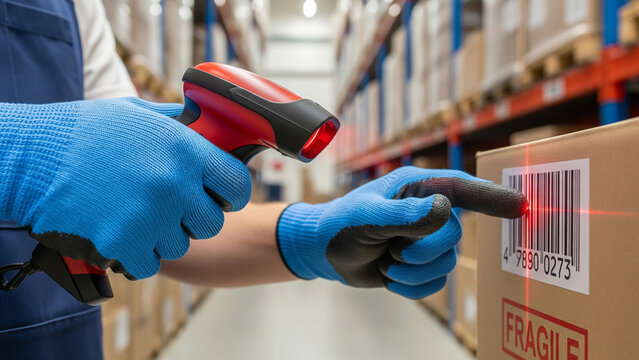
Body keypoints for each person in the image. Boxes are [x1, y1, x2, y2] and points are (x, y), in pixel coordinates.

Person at [0, 1, 526, 358]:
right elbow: (71, 163)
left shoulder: (75, 7)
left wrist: (314, 237)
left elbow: (150, 200)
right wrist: (17, 153)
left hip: (57, 337)